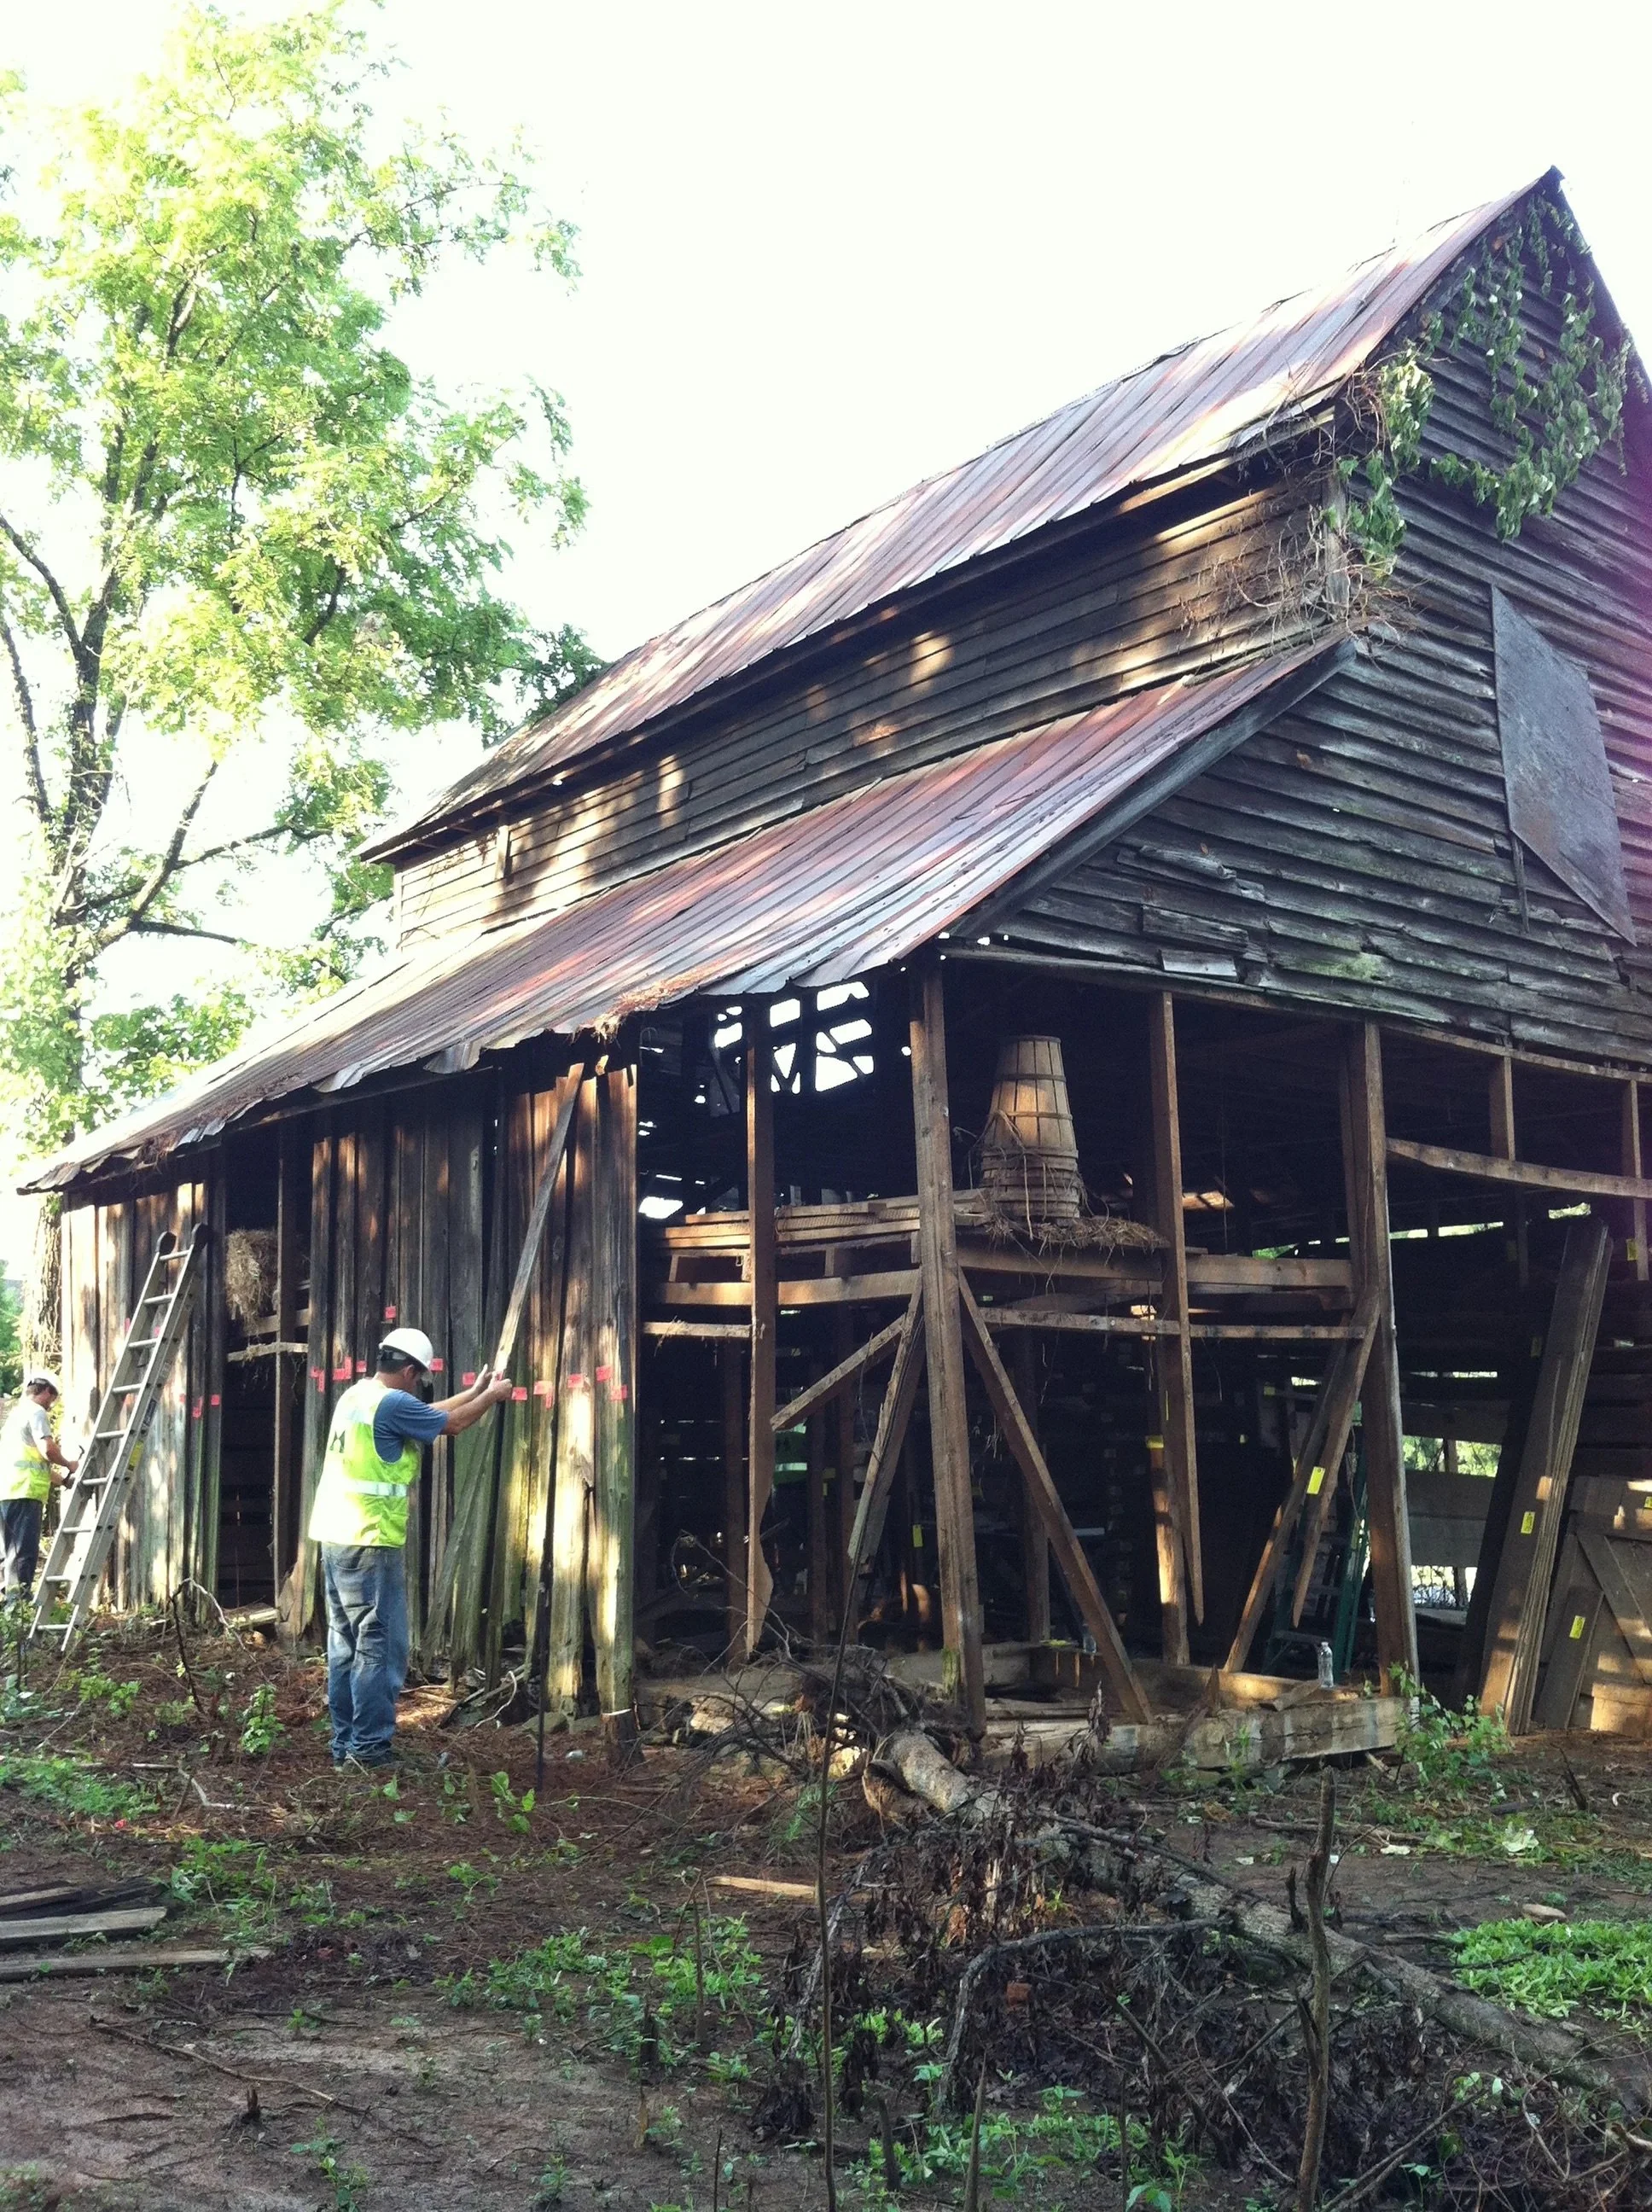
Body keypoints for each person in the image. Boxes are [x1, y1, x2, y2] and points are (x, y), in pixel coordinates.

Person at [308, 1326, 511, 1768]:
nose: (417, 1385)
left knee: (344, 1645)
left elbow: (425, 1413)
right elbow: (450, 1425)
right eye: (417, 1377)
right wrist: (493, 1398)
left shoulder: (358, 1396)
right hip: (370, 1540)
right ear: (406, 1370)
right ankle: (370, 1753)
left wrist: (474, 1390)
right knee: (378, 1647)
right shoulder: (393, 1402)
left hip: (336, 1537)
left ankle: (346, 1747)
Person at [0, 1368, 81, 1603]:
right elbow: (48, 1450)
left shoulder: (14, 1418)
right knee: (23, 1554)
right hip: (25, 1494)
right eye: (53, 1398)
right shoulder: (36, 1412)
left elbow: (36, 1463)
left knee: (8, 1555)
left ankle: (9, 1610)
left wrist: (64, 1481)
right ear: (46, 1391)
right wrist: (69, 1464)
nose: (52, 1404)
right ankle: (19, 1610)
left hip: (8, 1493)